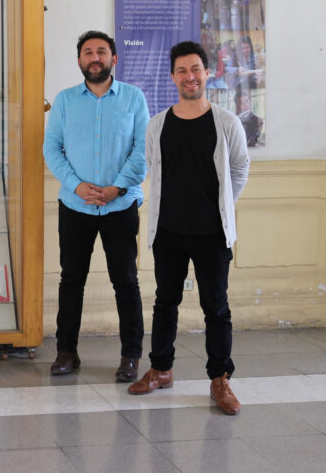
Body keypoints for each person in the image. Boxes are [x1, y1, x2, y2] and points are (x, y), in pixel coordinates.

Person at [128, 41, 250, 416]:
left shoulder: (226, 122)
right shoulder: (157, 125)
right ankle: (161, 370)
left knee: (216, 308)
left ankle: (220, 379)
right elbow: (153, 168)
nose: (189, 76)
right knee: (165, 302)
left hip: (212, 234)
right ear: (173, 77)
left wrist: (222, 206)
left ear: (207, 73)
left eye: (196, 69)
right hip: (168, 232)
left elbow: (240, 169)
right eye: (182, 70)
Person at [43, 31, 149, 382]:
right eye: (88, 52)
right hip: (76, 205)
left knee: (126, 281)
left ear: (113, 59)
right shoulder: (65, 101)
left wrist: (117, 187)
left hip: (121, 205)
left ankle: (131, 356)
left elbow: (142, 149)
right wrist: (77, 186)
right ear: (79, 61)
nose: (95, 57)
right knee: (71, 280)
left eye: (101, 51)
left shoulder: (133, 98)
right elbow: (51, 149)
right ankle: (66, 352)